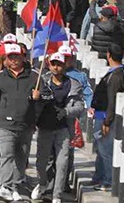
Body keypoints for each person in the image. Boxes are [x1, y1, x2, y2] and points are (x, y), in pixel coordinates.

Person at [0, 43, 39, 202]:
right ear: (6, 59)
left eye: (17, 56)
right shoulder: (0, 76)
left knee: (21, 157)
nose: (14, 60)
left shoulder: (34, 76)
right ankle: (5, 187)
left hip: (26, 125)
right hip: (5, 124)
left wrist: (38, 97)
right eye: (11, 57)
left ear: (23, 57)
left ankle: (16, 188)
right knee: (7, 155)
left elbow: (47, 99)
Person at [34, 52, 84, 203]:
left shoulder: (73, 84)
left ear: (64, 66)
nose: (56, 67)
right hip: (44, 128)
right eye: (53, 64)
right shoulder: (41, 82)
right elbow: (32, 103)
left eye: (59, 64)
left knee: (62, 163)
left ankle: (57, 194)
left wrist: (66, 112)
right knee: (43, 162)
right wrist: (35, 98)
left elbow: (80, 106)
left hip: (63, 129)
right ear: (49, 64)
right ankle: (43, 187)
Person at [92, 43, 124, 192]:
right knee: (100, 150)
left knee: (105, 150)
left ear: (109, 55)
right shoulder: (118, 72)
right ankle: (99, 176)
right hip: (101, 115)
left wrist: (107, 121)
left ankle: (108, 180)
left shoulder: (116, 75)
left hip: (104, 118)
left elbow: (112, 100)